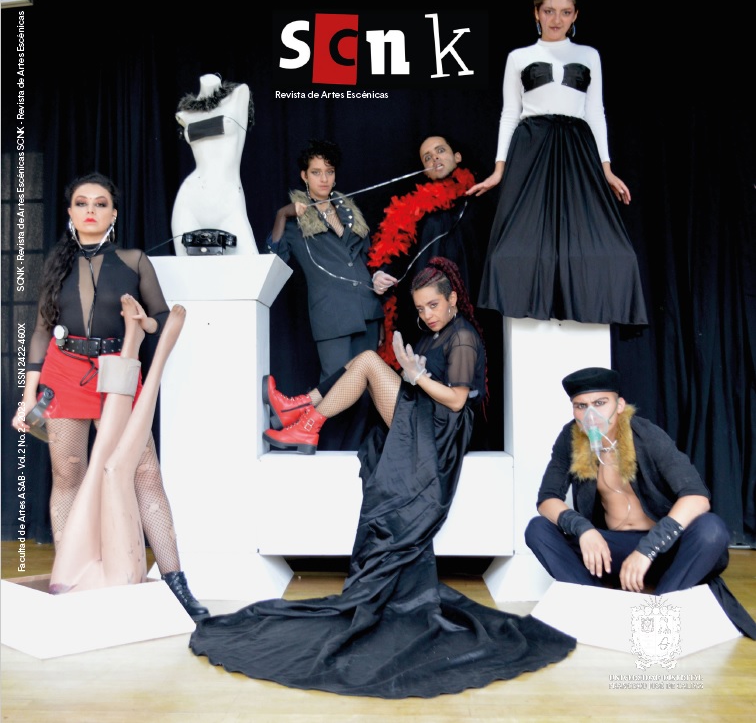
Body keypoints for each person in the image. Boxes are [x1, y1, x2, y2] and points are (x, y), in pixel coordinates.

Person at [189, 258, 577, 698]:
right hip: (425, 420)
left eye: (434, 305)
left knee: (371, 363)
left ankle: (303, 417)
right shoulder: (435, 334)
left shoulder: (463, 335)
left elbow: (455, 401)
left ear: (452, 299)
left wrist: (416, 377)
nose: (428, 314)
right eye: (421, 308)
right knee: (367, 362)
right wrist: (413, 375)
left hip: (442, 434)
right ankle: (302, 413)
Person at [12, 172, 208, 620]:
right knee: (69, 474)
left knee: (145, 473)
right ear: (70, 212)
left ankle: (176, 584)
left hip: (118, 370)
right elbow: (41, 330)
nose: (91, 211)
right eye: (82, 203)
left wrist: (143, 321)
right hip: (64, 371)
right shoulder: (56, 264)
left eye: (100, 204)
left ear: (113, 214)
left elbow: (161, 319)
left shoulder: (134, 260)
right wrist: (28, 395)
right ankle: (69, 579)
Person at [469, 0, 648, 325]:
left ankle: (581, 306)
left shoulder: (589, 55)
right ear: (536, 13)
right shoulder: (519, 57)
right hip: (531, 148)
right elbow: (510, 113)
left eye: (565, 12)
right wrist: (499, 169)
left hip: (577, 149)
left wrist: (607, 168)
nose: (556, 19)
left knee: (606, 250)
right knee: (516, 249)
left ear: (575, 15)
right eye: (549, 11)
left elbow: (595, 112)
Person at [524, 366, 756, 638]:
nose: (591, 415)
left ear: (620, 405)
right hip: (611, 553)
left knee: (711, 529)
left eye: (600, 403)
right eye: (581, 406)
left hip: (664, 551)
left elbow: (696, 497)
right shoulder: (570, 438)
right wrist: (584, 530)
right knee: (538, 529)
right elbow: (547, 499)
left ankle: (659, 609)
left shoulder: (647, 436)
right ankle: (595, 605)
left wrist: (648, 549)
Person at [49, 296, 186, 594]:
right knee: (114, 471)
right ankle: (157, 355)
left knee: (102, 461)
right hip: (114, 584)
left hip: (70, 582)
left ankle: (133, 344)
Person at [264, 138, 384, 381]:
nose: (324, 179)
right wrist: (282, 215)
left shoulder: (351, 213)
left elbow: (369, 260)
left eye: (329, 172)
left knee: (367, 386)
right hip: (331, 315)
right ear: (304, 176)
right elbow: (272, 260)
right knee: (335, 385)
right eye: (316, 172)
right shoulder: (295, 221)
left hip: (367, 309)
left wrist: (379, 290)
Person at [369, 134, 492, 369]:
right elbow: (395, 249)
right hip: (425, 314)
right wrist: (380, 274)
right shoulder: (415, 209)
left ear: (457, 157)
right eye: (427, 157)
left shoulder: (481, 198)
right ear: (425, 172)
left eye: (440, 151)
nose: (434, 158)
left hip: (472, 306)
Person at [172, 73, 257, 256]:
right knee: (187, 271)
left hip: (228, 200)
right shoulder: (184, 114)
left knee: (253, 267)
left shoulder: (239, 94)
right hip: (191, 200)